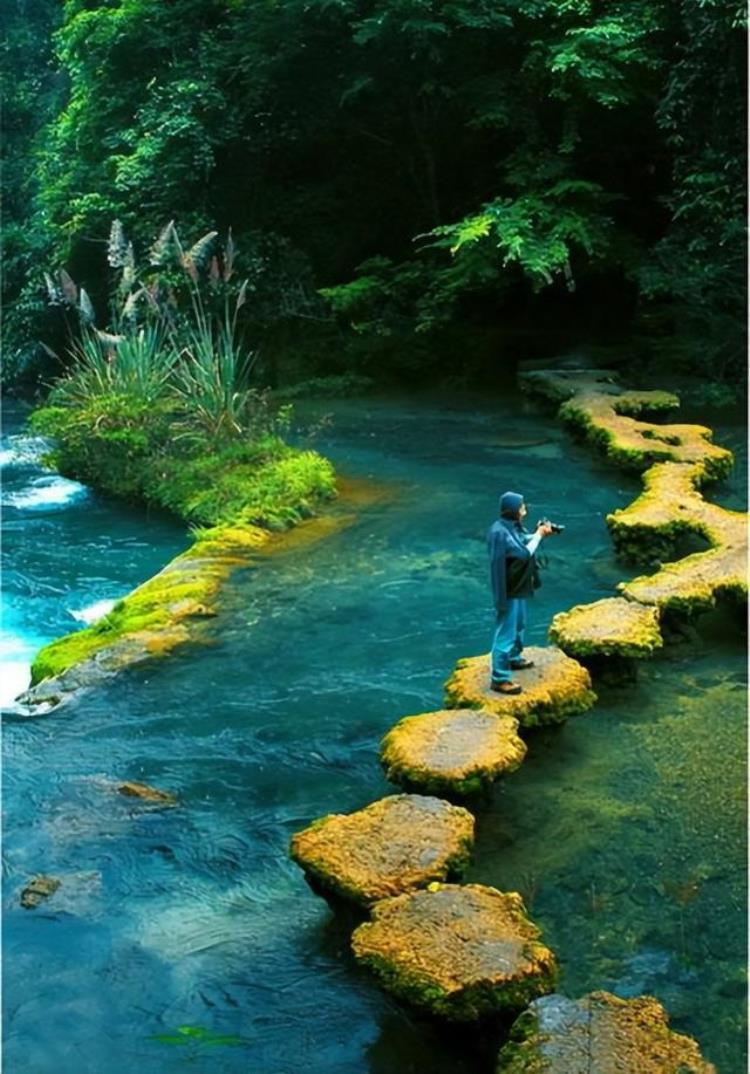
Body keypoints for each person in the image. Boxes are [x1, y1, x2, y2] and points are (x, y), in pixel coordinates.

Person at [487, 491, 553, 695]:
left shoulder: (510, 527)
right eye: (522, 508)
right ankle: (499, 678)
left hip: (518, 585)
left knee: (519, 624)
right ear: (513, 510)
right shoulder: (499, 532)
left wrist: (537, 533)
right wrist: (540, 536)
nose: (525, 511)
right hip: (508, 589)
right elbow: (523, 553)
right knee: (505, 633)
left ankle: (514, 658)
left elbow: (522, 539)